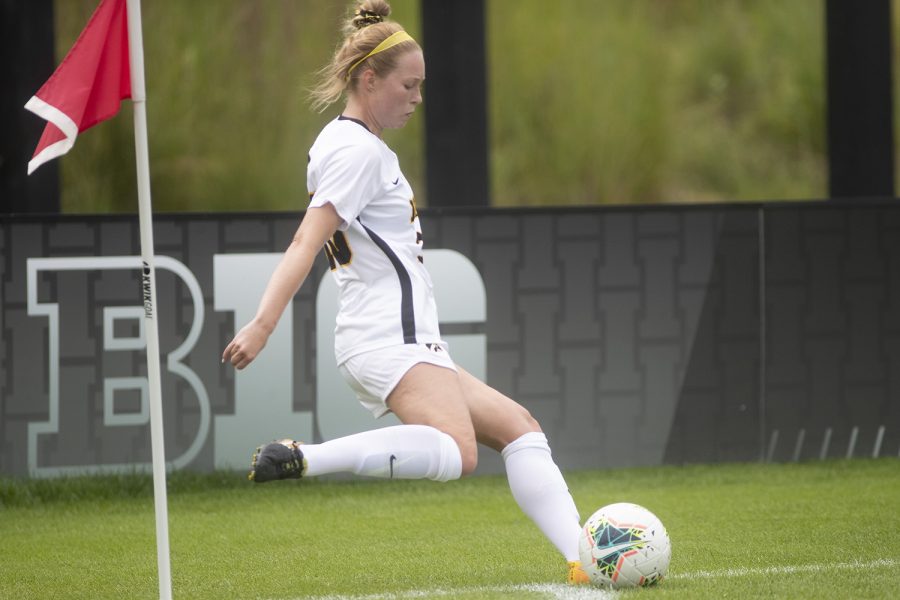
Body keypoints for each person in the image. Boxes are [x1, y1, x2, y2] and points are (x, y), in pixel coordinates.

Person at [221, 0, 589, 585]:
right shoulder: (358, 151)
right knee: (459, 453)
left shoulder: (350, 144)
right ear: (369, 80)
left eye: (421, 85)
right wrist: (264, 323)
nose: (417, 97)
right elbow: (303, 242)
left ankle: (584, 559)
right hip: (388, 336)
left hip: (401, 336)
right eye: (408, 85)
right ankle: (304, 456)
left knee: (520, 429)